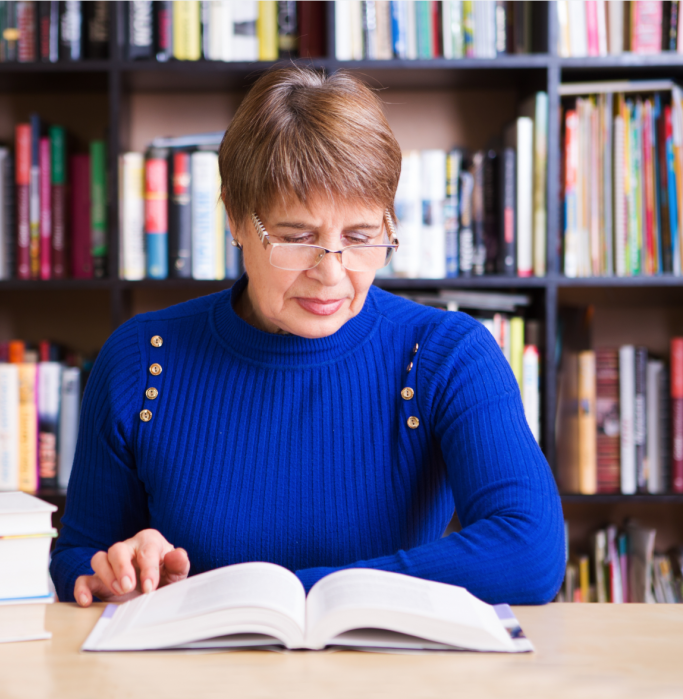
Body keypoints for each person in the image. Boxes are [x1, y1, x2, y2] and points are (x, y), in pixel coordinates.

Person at [50, 65, 565, 607]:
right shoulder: (141, 359)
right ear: (234, 219)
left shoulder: (447, 355)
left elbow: (529, 551)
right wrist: (117, 568)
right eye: (297, 239)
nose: (332, 273)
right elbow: (80, 554)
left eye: (362, 238)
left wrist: (306, 594)